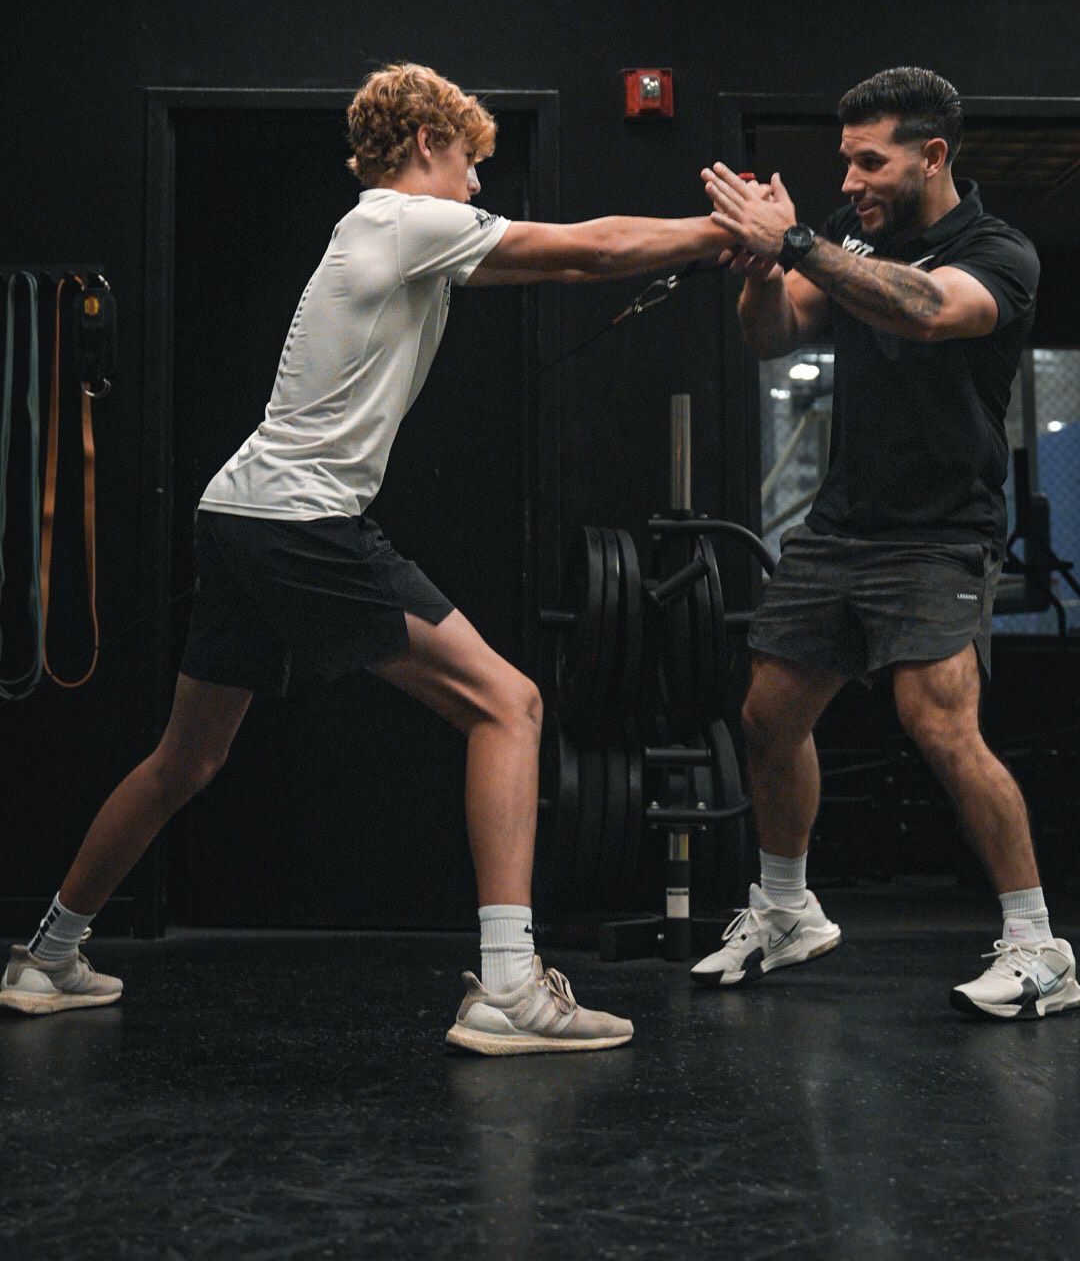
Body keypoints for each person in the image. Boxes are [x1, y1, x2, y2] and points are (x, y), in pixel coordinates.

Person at [1, 62, 738, 1054]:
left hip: (242, 510)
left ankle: (48, 954)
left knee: (189, 755)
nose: (479, 185)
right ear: (429, 144)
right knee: (508, 704)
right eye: (473, 163)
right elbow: (588, 251)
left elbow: (552, 264)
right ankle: (512, 987)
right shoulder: (400, 220)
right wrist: (726, 232)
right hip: (300, 520)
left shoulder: (389, 238)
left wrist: (694, 251)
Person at [692, 66, 1079, 1021]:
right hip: (842, 525)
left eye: (871, 160)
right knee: (769, 718)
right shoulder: (853, 238)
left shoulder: (1000, 252)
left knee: (939, 722)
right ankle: (786, 910)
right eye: (845, 159)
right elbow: (775, 335)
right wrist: (759, 275)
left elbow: (927, 308)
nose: (852, 177)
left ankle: (1039, 948)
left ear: (933, 155)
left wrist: (796, 241)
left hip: (943, 532)